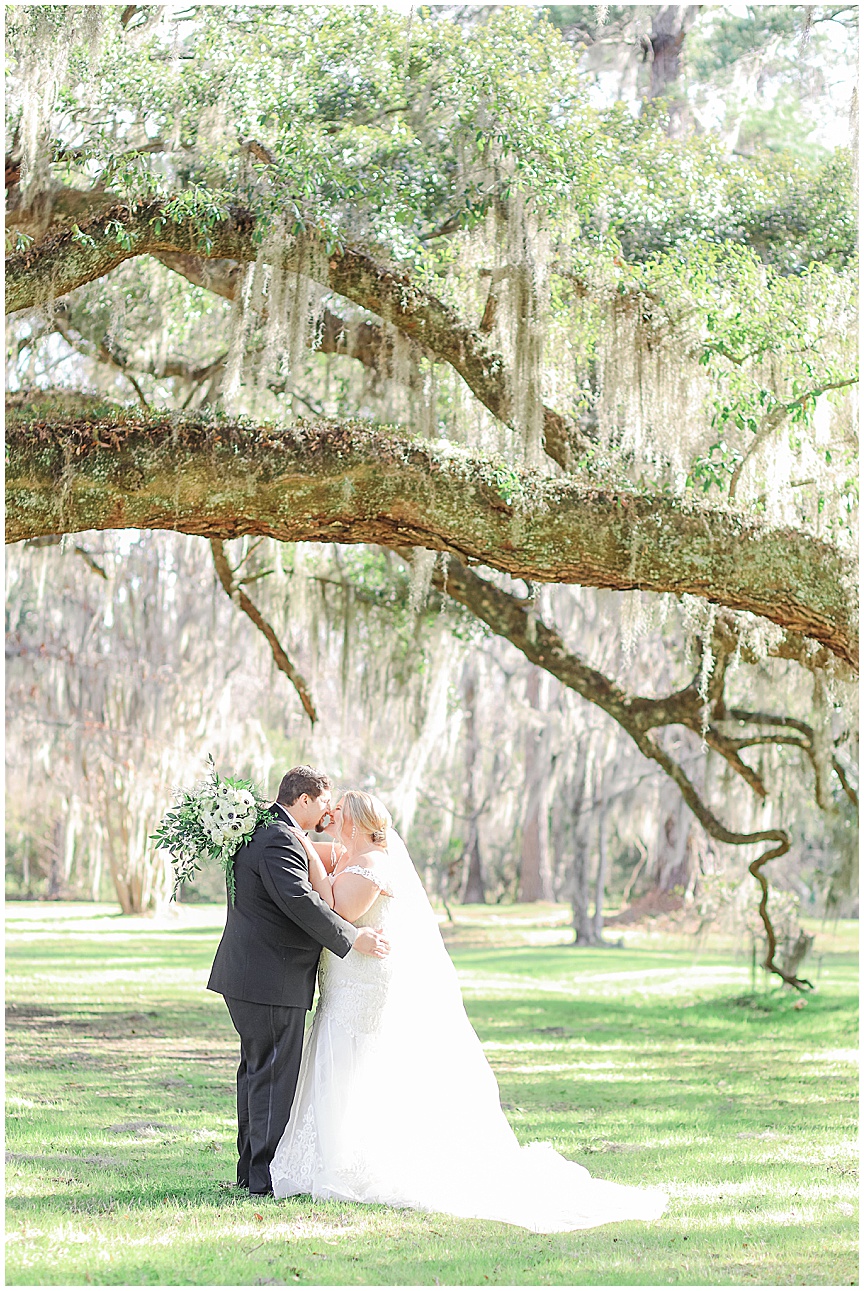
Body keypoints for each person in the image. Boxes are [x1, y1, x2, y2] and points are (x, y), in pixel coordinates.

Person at [269, 789, 668, 1232]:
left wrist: (305, 846)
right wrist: (291, 833)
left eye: (338, 812)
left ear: (357, 822)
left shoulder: (372, 865)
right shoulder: (349, 855)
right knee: (337, 1057)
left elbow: (337, 908)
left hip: (364, 982)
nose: (331, 817)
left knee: (353, 1057)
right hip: (344, 981)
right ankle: (334, 1153)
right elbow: (297, 851)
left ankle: (353, 1160)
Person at [207, 767, 390, 1196]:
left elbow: (327, 874)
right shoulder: (278, 837)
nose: (330, 812)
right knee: (272, 1076)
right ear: (304, 800)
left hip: (257, 975)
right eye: (325, 802)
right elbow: (300, 903)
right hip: (269, 977)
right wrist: (353, 938)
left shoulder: (274, 830)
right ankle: (263, 1178)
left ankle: (251, 1172)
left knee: (257, 1073)